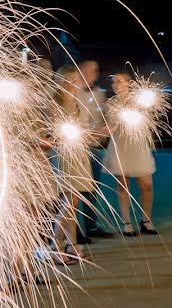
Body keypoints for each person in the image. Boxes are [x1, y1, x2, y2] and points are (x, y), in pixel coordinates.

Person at [103, 73, 158, 236]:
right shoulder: (111, 103)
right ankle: (126, 222)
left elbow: (148, 120)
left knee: (146, 185)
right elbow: (110, 126)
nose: (116, 85)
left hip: (138, 145)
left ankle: (146, 220)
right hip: (121, 145)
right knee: (123, 185)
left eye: (119, 81)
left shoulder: (138, 102)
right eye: (113, 82)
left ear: (129, 83)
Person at [53, 65, 96, 261]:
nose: (71, 84)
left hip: (79, 157)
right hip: (64, 157)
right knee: (70, 202)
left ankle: (72, 245)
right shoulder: (54, 102)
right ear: (61, 81)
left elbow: (85, 131)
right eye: (67, 80)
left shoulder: (79, 103)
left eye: (74, 80)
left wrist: (100, 133)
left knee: (73, 202)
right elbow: (54, 131)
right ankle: (55, 244)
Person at [77, 59, 113, 241]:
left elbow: (105, 116)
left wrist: (108, 129)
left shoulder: (100, 94)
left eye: (97, 70)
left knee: (93, 190)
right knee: (76, 191)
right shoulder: (73, 92)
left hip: (96, 147)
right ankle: (74, 232)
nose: (96, 74)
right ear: (82, 71)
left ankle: (91, 226)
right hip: (78, 149)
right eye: (92, 70)